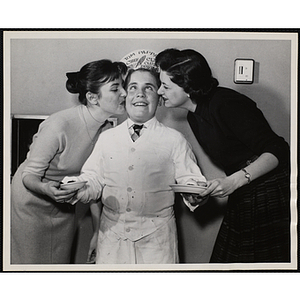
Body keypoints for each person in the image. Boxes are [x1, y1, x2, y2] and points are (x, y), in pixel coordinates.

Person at [155, 48, 290, 263]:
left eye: (166, 86)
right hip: (243, 191)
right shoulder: (194, 116)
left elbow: (279, 150)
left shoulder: (226, 103)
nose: (159, 91)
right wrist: (204, 191)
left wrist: (234, 181)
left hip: (270, 193)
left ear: (187, 87)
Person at [63, 67, 207, 264]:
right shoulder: (107, 138)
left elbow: (191, 179)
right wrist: (75, 188)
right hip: (112, 238)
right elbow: (92, 181)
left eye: (148, 88)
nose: (140, 94)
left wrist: (195, 192)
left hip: (157, 240)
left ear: (159, 97)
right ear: (124, 95)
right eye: (133, 88)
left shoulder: (174, 140)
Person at [11, 59, 127, 264]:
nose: (124, 94)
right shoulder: (59, 125)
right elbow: (29, 176)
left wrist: (97, 232)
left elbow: (95, 186)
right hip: (31, 201)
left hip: (63, 202)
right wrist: (47, 190)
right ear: (93, 97)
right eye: (116, 89)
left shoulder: (107, 131)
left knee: (57, 265)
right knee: (29, 267)